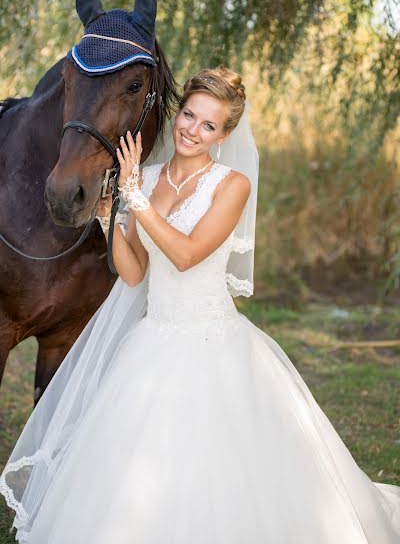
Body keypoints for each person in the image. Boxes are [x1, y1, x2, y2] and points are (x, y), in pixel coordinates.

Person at [1, 66, 399, 544]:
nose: (192, 130)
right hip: (151, 341)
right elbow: (134, 272)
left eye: (208, 125)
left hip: (212, 341)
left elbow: (187, 256)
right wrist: (112, 215)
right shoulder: (146, 178)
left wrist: (134, 199)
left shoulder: (231, 186)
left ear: (224, 134)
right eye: (189, 115)